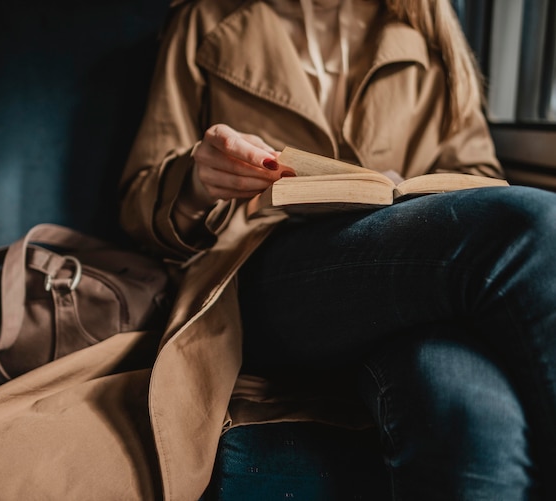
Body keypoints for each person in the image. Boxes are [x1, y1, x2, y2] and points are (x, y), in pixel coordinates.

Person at [118, 0, 556, 499]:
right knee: (531, 224)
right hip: (263, 278)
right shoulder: (206, 20)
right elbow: (139, 200)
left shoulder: (423, 33)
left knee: (468, 411)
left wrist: (410, 198)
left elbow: (478, 177)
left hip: (408, 291)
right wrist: (197, 183)